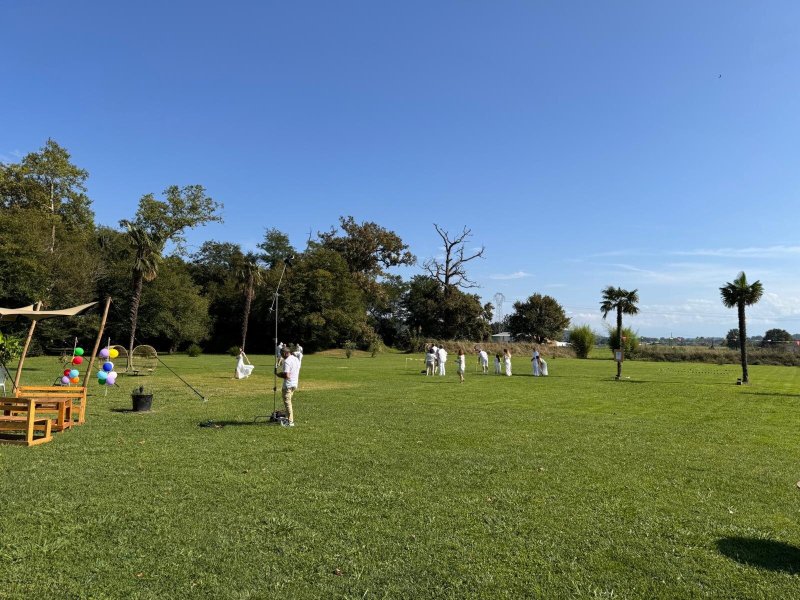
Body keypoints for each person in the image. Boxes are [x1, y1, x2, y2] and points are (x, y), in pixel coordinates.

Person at [276, 347, 300, 427]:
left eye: (282, 353)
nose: (281, 355)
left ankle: (290, 422)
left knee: (287, 403)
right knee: (288, 402)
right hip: (294, 383)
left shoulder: (287, 361)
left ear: (286, 353)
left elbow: (287, 375)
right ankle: (287, 418)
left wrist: (278, 374)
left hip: (288, 385)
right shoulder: (296, 359)